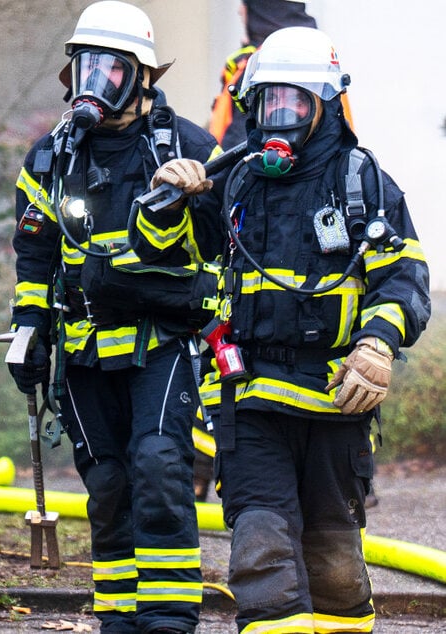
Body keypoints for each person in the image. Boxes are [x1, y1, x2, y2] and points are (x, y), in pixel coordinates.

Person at [193, 27, 430, 632]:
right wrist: (177, 199)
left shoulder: (360, 182)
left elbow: (403, 274)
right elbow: (183, 265)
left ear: (323, 105)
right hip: (249, 398)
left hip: (335, 399)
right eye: (267, 101)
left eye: (295, 102)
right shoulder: (237, 182)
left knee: (335, 564)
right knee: (260, 543)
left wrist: (378, 343)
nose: (279, 117)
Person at [6, 2, 225, 632]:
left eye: (113, 67)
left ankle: (167, 620)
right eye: (86, 65)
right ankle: (119, 621)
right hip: (83, 348)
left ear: (144, 77)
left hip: (163, 343)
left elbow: (225, 246)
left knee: (158, 468)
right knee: (107, 487)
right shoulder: (50, 157)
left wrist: (198, 193)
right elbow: (35, 253)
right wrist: (29, 331)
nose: (96, 80)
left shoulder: (187, 145)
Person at [208, 0, 317, 150]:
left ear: (262, 9)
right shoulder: (316, 58)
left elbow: (239, 144)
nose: (240, 11)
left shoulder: (265, 66)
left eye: (246, 4)